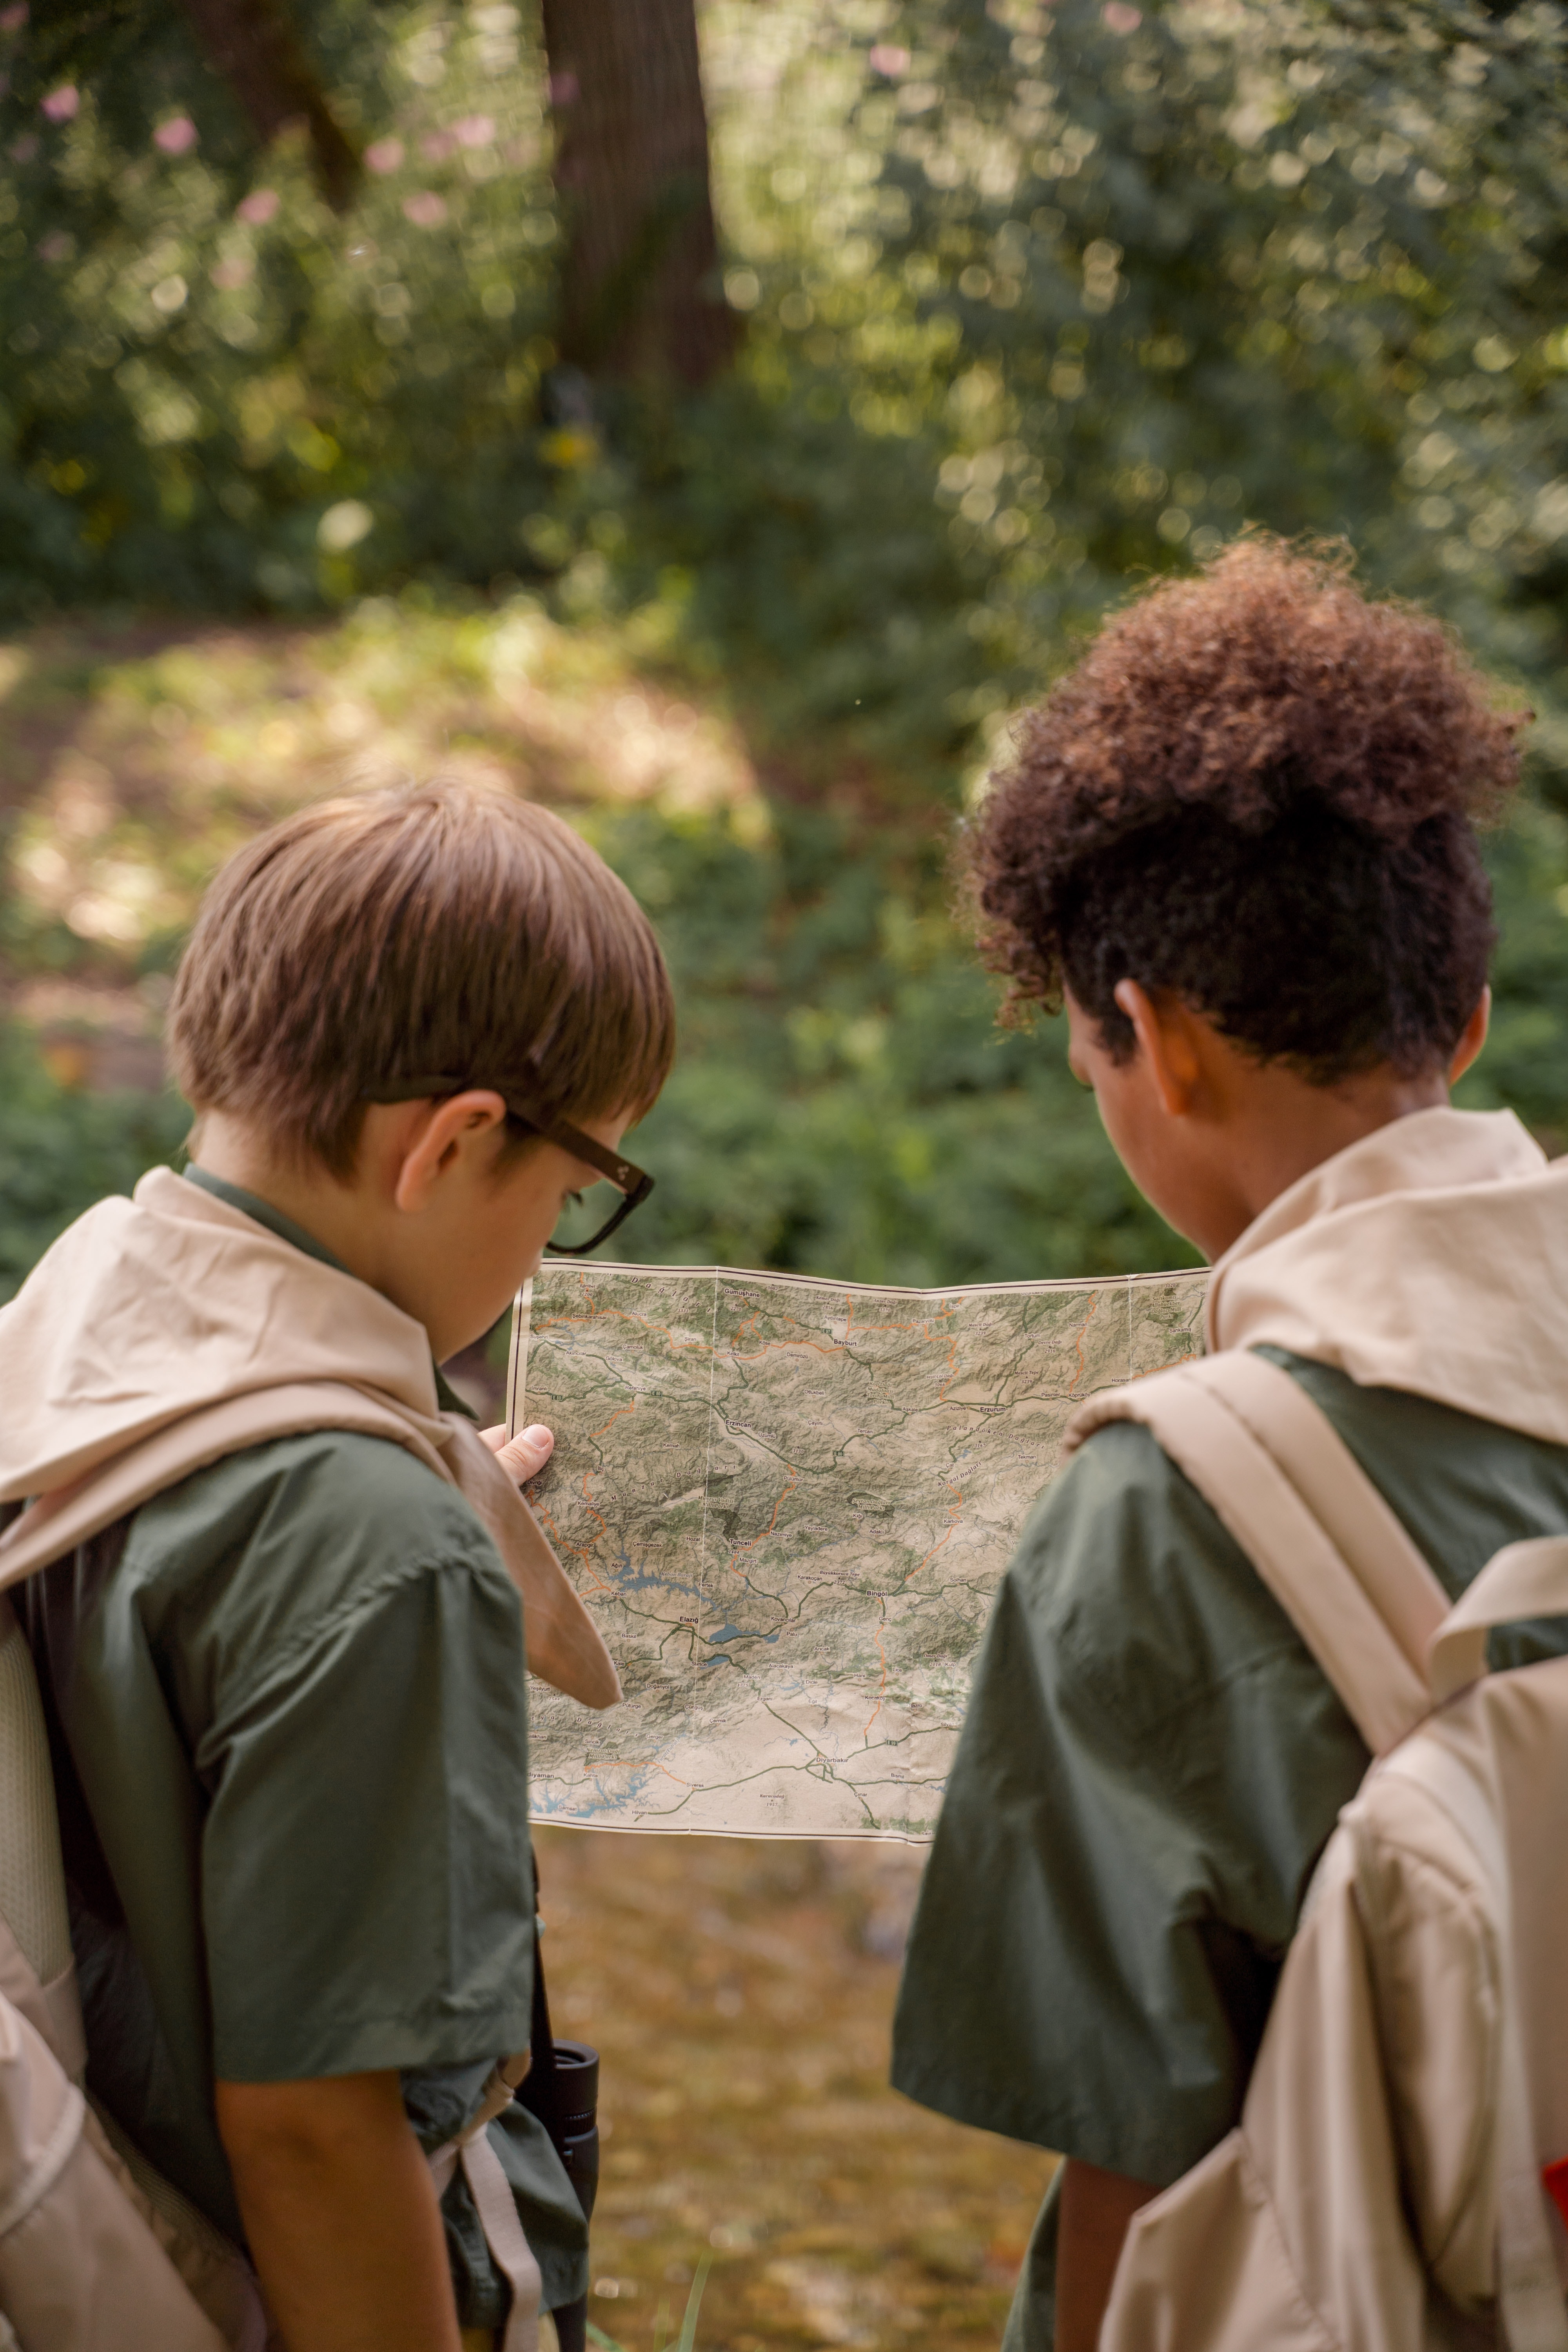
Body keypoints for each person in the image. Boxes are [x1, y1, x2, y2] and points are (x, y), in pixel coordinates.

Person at [889, 539, 1568, 2350]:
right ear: (1466, 1020)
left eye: (1085, 1056)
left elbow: (1135, 2160)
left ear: (1163, 1050)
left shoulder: (1158, 1507)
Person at [0, 779, 674, 2352]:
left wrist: (418, 1473)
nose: (548, 1246)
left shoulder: (72, 1340)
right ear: (452, 1145)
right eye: (574, 1196)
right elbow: (315, 2135)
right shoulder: (373, 1548)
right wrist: (402, 1536)